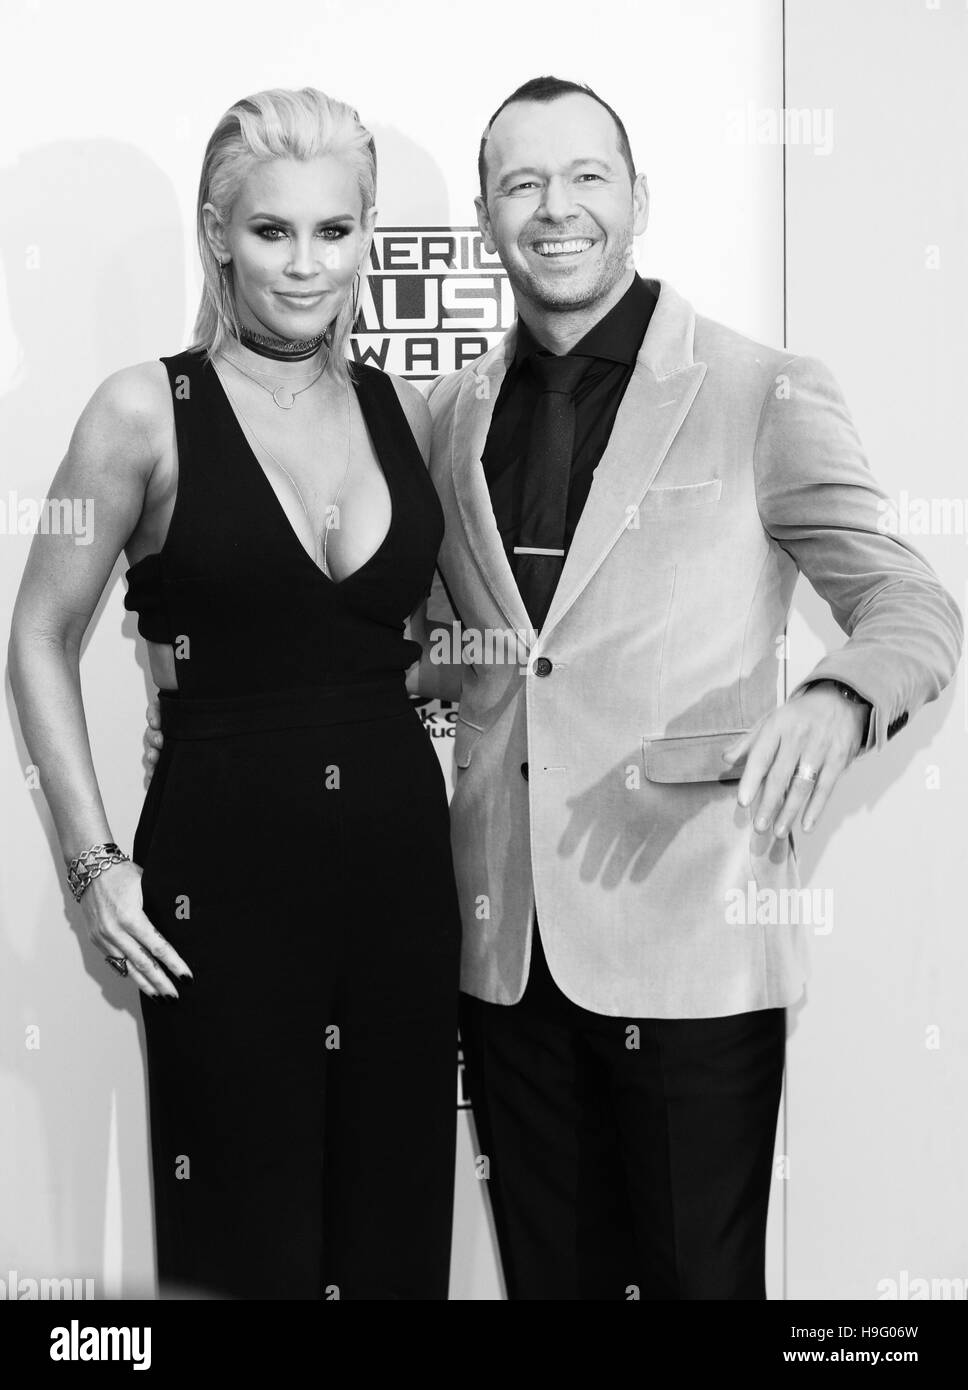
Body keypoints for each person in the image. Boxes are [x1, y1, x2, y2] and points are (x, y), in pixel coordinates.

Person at [413, 76, 962, 1299]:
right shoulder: (446, 415)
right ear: (487, 217)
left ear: (639, 199)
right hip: (503, 951)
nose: (555, 208)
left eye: (585, 175)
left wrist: (834, 697)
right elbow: (458, 648)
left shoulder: (760, 388)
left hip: (692, 944)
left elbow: (911, 602)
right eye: (520, 183)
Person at [7, 86, 462, 1301]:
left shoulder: (401, 409)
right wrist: (94, 865)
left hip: (401, 879)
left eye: (333, 229)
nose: (305, 264)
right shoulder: (141, 410)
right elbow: (39, 636)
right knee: (240, 1256)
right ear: (217, 235)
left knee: (394, 1243)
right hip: (219, 880)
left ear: (366, 236)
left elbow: (420, 645)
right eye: (271, 230)